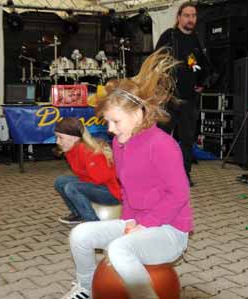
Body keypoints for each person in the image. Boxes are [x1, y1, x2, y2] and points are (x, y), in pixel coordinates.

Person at [59, 49, 193, 299]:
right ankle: (86, 290)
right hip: (138, 224)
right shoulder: (121, 144)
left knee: (119, 249)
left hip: (169, 231)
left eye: (115, 122)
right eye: (107, 122)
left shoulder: (162, 145)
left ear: (138, 113)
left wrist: (145, 224)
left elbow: (179, 194)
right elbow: (127, 191)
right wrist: (131, 220)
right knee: (80, 235)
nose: (110, 129)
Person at [154, 1, 207, 186]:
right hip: (168, 98)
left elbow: (202, 66)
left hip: (188, 100)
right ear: (179, 18)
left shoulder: (197, 40)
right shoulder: (169, 36)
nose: (190, 19)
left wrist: (202, 83)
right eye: (186, 15)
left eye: (193, 15)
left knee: (187, 140)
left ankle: (184, 175)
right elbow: (155, 62)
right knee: (160, 138)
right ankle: (158, 175)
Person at [54, 117, 121, 224]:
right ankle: (78, 215)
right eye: (56, 137)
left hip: (112, 193)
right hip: (95, 185)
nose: (57, 141)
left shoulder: (88, 152)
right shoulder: (71, 150)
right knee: (60, 181)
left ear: (74, 138)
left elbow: (101, 179)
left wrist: (79, 191)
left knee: (72, 187)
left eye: (60, 137)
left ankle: (93, 223)